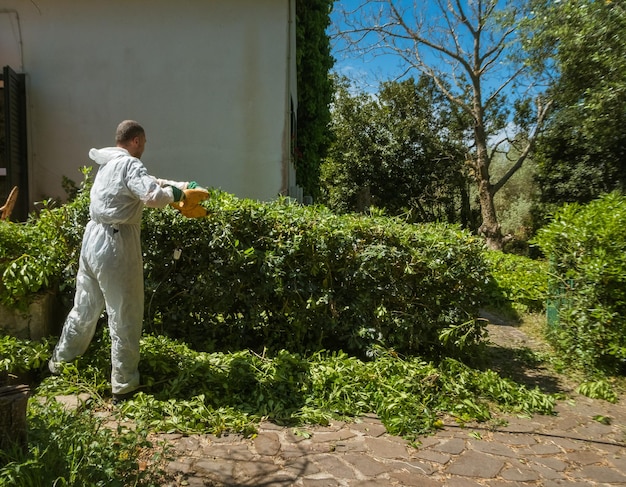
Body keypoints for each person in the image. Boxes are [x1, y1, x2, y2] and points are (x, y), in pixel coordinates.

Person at [49, 120, 203, 404]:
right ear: (136, 140)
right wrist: (178, 195)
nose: (144, 148)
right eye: (143, 143)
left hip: (92, 239)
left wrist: (180, 185)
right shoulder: (131, 165)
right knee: (125, 314)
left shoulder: (107, 165)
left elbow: (149, 183)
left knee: (84, 307)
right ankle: (123, 386)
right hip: (116, 243)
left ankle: (59, 364)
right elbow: (152, 195)